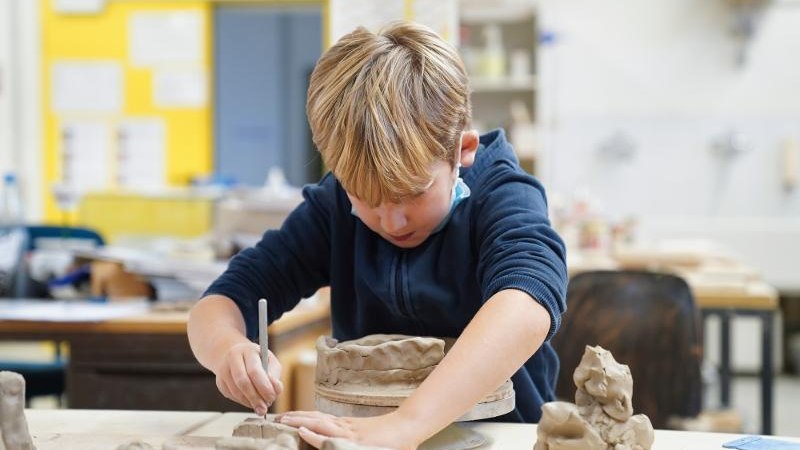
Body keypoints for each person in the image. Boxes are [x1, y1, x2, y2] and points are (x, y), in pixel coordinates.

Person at [187, 20, 567, 450]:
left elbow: (529, 301)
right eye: (365, 197)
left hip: (504, 436)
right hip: (364, 441)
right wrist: (228, 350)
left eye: (412, 194)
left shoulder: (501, 194)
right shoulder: (334, 208)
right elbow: (220, 302)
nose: (393, 221)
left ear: (462, 151)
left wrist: (406, 425)